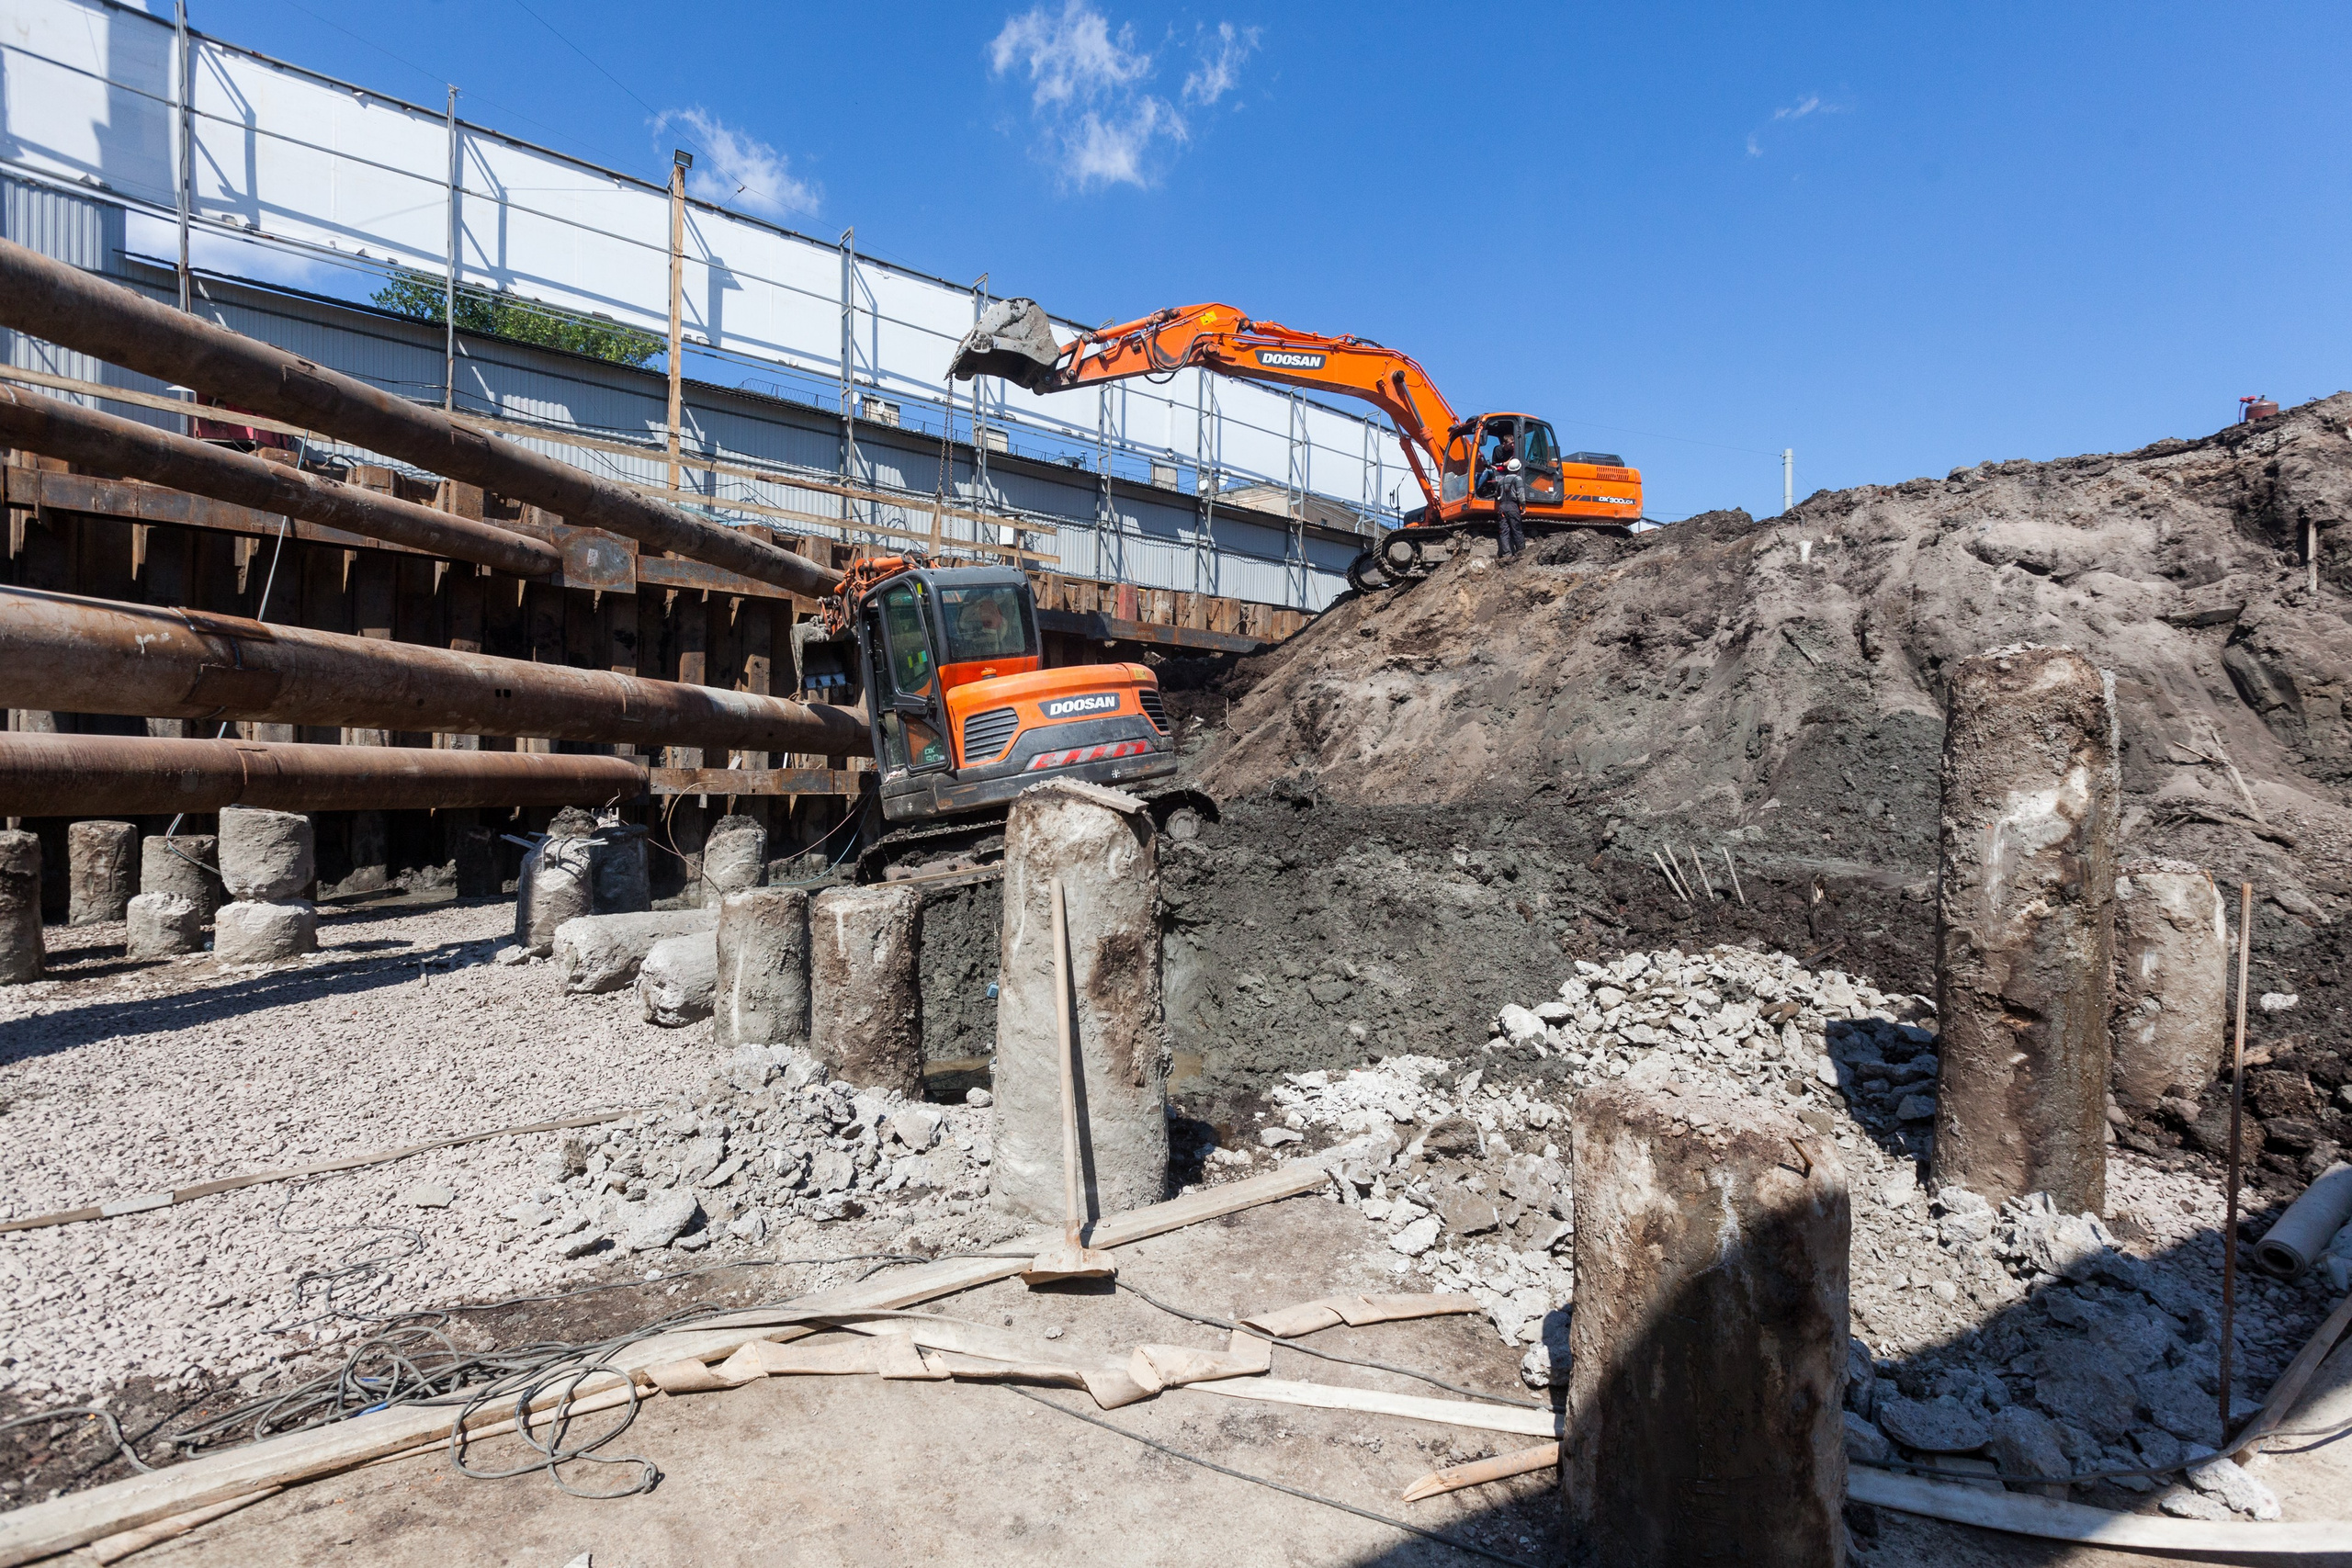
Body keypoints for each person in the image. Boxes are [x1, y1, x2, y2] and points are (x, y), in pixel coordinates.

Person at [1488, 427, 1527, 559]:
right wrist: (1523, 506)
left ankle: (1506, 554)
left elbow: (1496, 494)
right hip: (1512, 507)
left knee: (1504, 532)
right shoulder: (1518, 479)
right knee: (1516, 530)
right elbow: (1521, 495)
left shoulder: (1501, 480)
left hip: (1502, 507)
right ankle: (1521, 553)